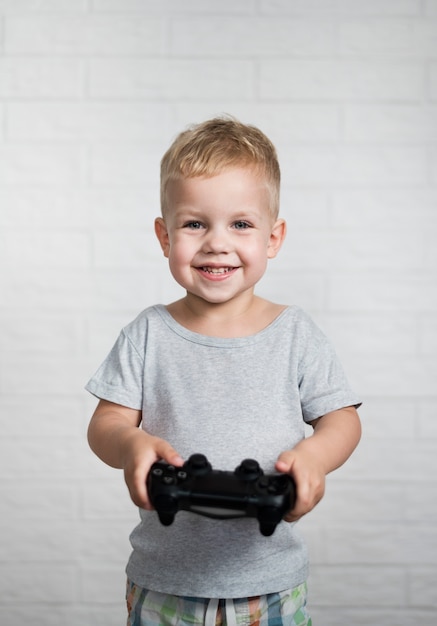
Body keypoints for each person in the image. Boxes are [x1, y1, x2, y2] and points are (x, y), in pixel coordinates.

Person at [86, 116, 361, 626]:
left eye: (240, 223)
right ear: (164, 236)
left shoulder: (295, 333)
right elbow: (105, 424)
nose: (216, 242)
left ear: (273, 237)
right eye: (195, 224)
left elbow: (342, 419)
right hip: (166, 579)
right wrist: (131, 445)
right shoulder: (148, 333)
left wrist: (314, 457)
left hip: (270, 582)